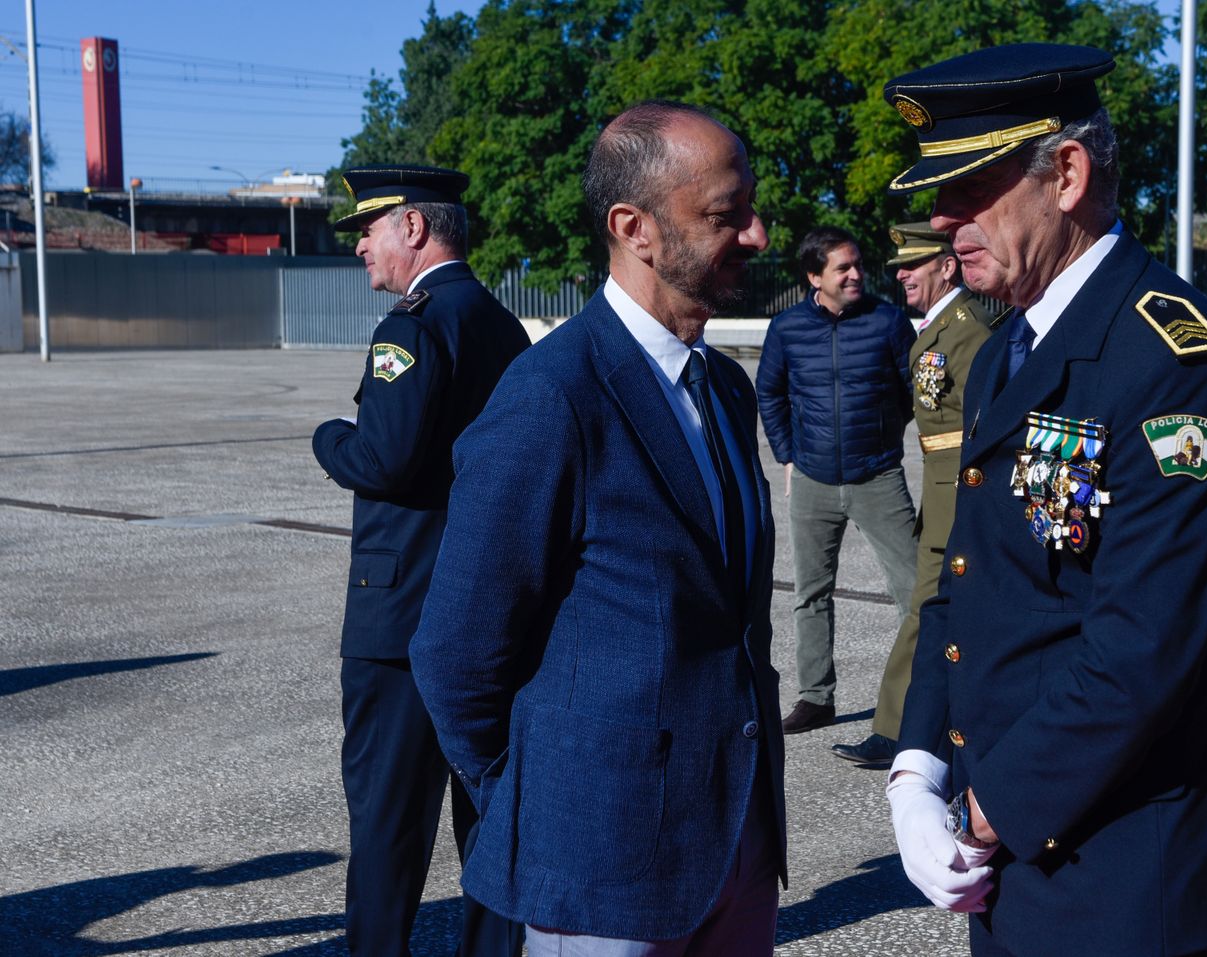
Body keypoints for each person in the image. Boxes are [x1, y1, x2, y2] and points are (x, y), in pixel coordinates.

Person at [878, 44, 1207, 957]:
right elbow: (964, 576)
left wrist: (980, 814)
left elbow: (1144, 647)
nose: (942, 219)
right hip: (1013, 864)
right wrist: (916, 767)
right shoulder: (1007, 350)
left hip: (1124, 876)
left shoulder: (1176, 367)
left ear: (1066, 175)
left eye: (970, 187)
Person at [409, 100, 785, 956]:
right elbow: (456, 651)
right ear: (634, 227)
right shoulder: (553, 394)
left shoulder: (725, 387)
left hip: (736, 842)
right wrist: (542, 803)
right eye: (726, 215)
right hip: (603, 867)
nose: (757, 234)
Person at [311, 165, 529, 957]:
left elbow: (385, 459)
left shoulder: (411, 327)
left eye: (369, 229)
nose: (360, 246)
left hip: (401, 615)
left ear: (413, 227)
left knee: (387, 820)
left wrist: (329, 436)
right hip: (490, 609)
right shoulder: (502, 327)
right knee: (490, 816)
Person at [832, 223, 998, 767]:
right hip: (942, 490)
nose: (901, 275)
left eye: (913, 265)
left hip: (964, 494)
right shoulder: (939, 328)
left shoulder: (969, 328)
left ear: (947, 267)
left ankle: (897, 729)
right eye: (900, 267)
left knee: (928, 607)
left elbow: (986, 421)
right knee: (937, 608)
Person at [755, 227, 919, 735]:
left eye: (857, 265)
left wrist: (883, 438)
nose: (855, 275)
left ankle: (924, 695)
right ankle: (815, 698)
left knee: (915, 590)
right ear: (814, 277)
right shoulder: (787, 328)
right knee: (810, 594)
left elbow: (914, 391)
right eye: (842, 268)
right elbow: (770, 394)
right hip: (812, 480)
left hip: (879, 476)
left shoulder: (889, 322)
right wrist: (788, 455)